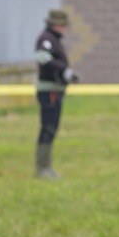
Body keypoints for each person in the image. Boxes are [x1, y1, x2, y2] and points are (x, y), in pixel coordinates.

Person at [33, 9, 79, 179]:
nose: (65, 28)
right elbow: (43, 58)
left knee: (52, 127)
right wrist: (64, 70)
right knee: (48, 127)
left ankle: (46, 167)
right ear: (56, 24)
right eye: (63, 25)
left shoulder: (54, 39)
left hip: (56, 89)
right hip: (49, 90)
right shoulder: (47, 39)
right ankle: (43, 168)